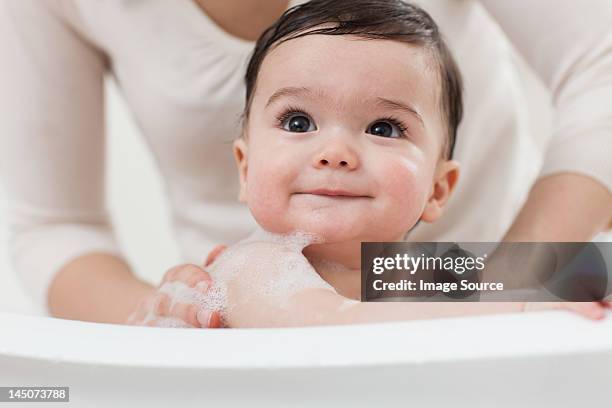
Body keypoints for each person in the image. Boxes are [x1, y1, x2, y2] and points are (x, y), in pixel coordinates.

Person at [0, 0, 610, 326]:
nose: (336, 151)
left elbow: (566, 274)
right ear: (242, 169)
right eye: (297, 123)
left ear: (439, 189)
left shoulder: (415, 271)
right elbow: (338, 325)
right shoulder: (249, 272)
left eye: (384, 127)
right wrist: (520, 302)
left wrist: (568, 282)